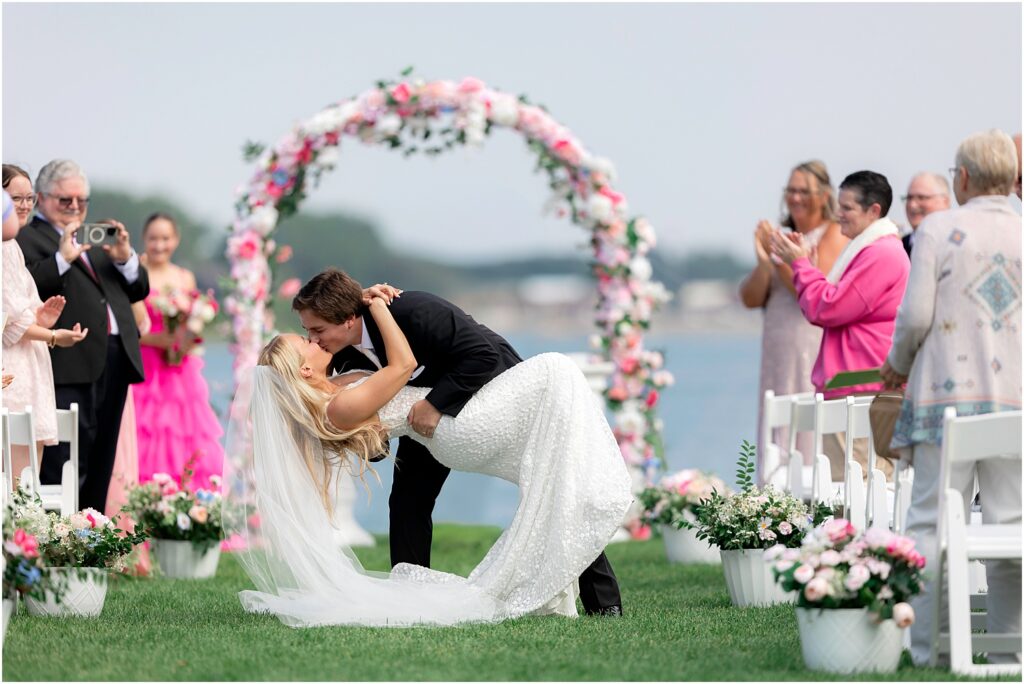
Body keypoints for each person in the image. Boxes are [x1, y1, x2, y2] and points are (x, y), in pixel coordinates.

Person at [225, 291, 632, 628]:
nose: (314, 340)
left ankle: (600, 598)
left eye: (315, 332)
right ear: (305, 371)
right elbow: (401, 367)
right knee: (557, 370)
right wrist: (380, 308)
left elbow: (474, 357)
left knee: (558, 479)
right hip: (456, 426)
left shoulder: (341, 378)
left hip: (458, 412)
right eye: (307, 342)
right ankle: (595, 566)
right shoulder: (338, 405)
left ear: (347, 320)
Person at [881, 129, 1021, 666]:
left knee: (929, 526)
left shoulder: (940, 227)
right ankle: (1010, 653)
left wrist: (897, 364)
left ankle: (929, 651)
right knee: (1012, 528)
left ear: (961, 177)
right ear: (1011, 178)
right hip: (1015, 407)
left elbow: (915, 316)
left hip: (946, 404)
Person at [15, 159, 149, 511]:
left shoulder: (93, 237)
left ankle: (91, 534)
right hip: (68, 361)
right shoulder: (26, 237)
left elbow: (138, 290)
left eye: (82, 201)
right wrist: (62, 258)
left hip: (116, 356)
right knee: (65, 454)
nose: (75, 207)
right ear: (42, 198)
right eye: (65, 200)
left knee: (103, 452)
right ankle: (56, 537)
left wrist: (125, 258)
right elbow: (26, 288)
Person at [770, 170, 910, 482]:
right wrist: (807, 262)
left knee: (857, 492)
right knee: (851, 490)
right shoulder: (870, 250)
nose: (838, 215)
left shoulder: (881, 254)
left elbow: (828, 308)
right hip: (856, 387)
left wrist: (800, 264)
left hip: (861, 390)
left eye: (847, 208)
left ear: (873, 210)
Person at [739, 161, 847, 484]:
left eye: (804, 191)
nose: (795, 198)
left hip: (811, 346)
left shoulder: (833, 234)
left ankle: (811, 490)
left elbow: (814, 289)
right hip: (778, 352)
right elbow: (750, 298)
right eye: (791, 190)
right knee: (776, 416)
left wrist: (783, 256)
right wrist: (764, 262)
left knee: (806, 416)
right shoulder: (783, 238)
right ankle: (774, 491)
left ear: (824, 195)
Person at [2, 164, 89, 480]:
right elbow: (10, 324)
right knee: (17, 476)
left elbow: (17, 315)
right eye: (15, 199)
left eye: (28, 198)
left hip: (29, 363)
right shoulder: (6, 247)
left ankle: (24, 529)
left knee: (27, 476)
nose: (24, 205)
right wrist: (53, 337)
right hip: (15, 368)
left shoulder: (12, 246)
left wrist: (42, 317)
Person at [132, 213, 224, 490]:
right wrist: (159, 340)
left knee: (182, 434)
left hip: (178, 370)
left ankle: (184, 505)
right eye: (153, 239)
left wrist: (186, 338)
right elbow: (130, 328)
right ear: (144, 239)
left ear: (176, 240)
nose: (159, 245)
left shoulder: (184, 277)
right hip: (146, 366)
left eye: (165, 239)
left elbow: (192, 321)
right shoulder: (135, 271)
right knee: (146, 434)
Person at [900, 172, 951, 257]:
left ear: (945, 201)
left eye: (921, 198)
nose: (912, 205)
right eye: (909, 198)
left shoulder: (958, 244)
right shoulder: (899, 248)